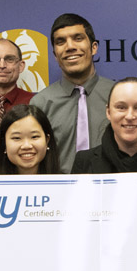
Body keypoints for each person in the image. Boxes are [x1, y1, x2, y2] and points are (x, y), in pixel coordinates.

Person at [30, 13, 115, 172]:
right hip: (59, 193)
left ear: (94, 47)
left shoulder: (117, 96)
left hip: (111, 190)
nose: (70, 47)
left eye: (78, 38)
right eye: (60, 42)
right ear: (55, 54)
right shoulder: (40, 104)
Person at [0, 104, 61, 175]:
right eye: (17, 138)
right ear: (4, 143)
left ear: (47, 140)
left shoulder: (68, 184)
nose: (26, 146)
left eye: (34, 137)